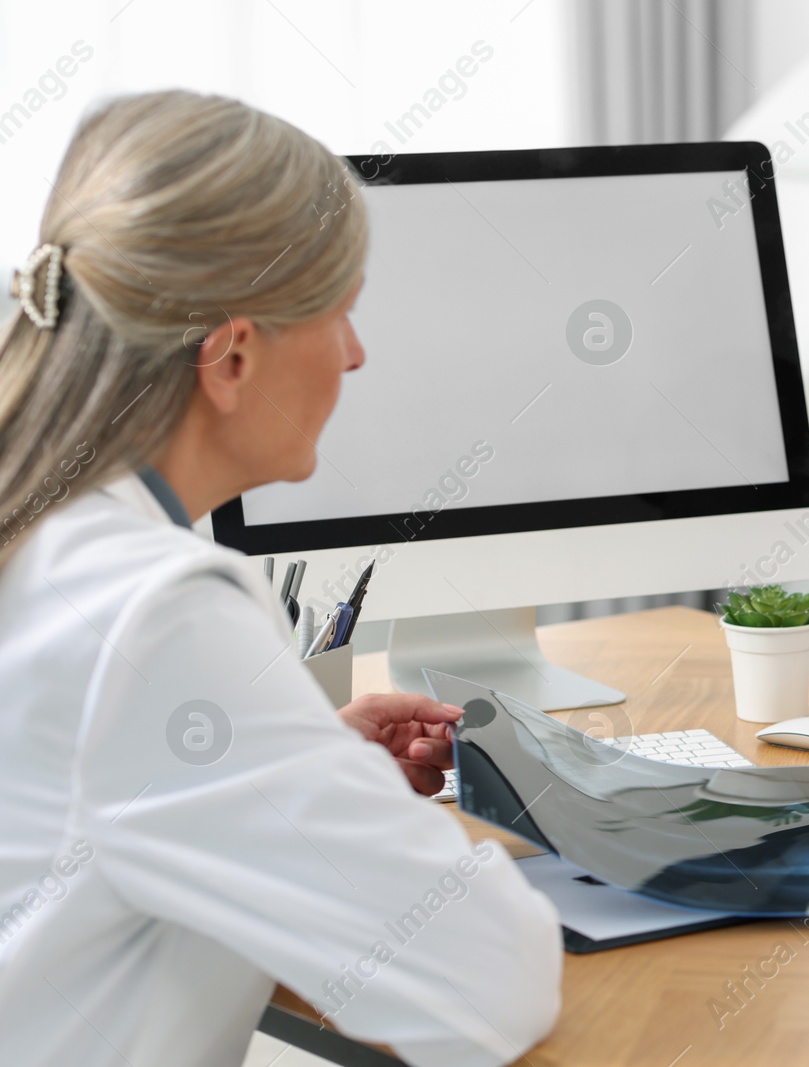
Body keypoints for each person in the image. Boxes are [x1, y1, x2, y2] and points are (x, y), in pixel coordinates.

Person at [0, 91, 562, 1066]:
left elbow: (87, 797)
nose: (355, 352)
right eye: (340, 312)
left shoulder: (46, 533)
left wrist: (289, 761)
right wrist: (346, 801)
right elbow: (491, 986)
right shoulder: (153, 612)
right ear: (232, 355)